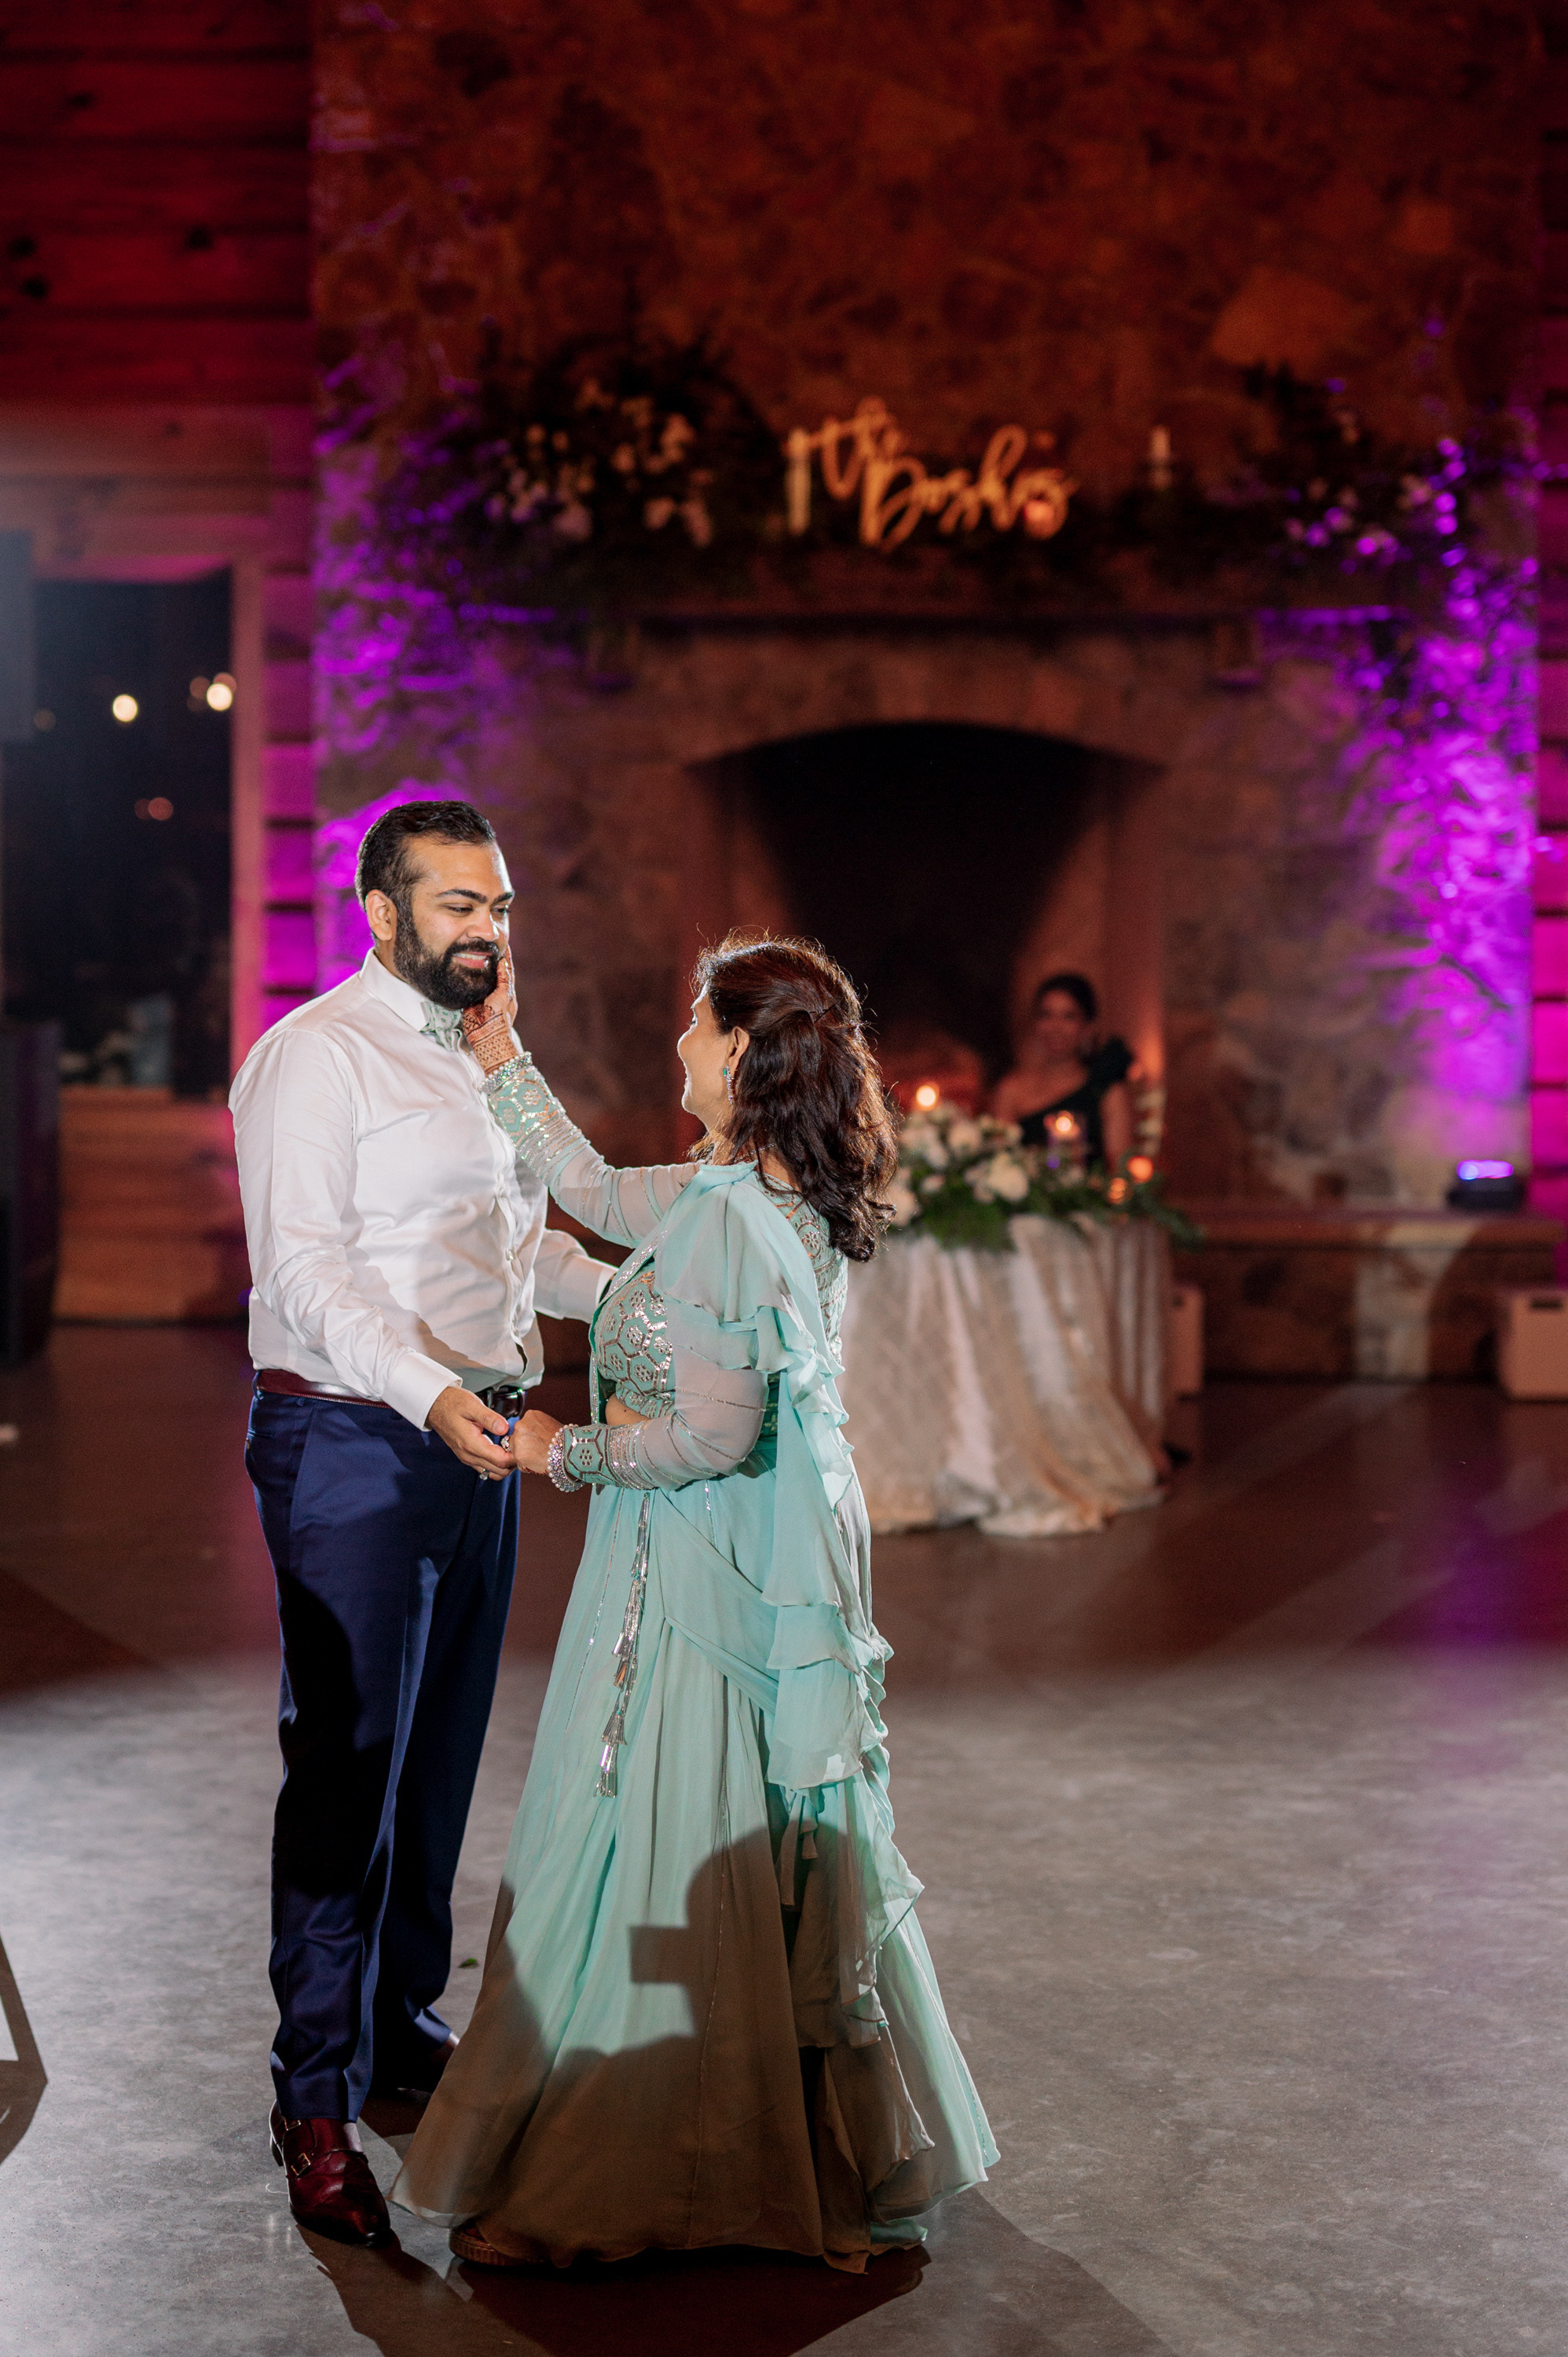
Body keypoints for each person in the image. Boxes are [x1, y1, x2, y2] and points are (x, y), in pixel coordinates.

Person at [392, 934, 997, 2272]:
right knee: (736, 1830)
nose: (675, 1044)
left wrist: (563, 1449)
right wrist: (501, 1059)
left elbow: (712, 1438)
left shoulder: (728, 1217)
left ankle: (662, 2168)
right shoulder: (755, 1185)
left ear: (740, 1052)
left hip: (702, 1562)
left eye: (691, 1024)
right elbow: (601, 1190)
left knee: (666, 1831)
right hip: (760, 1554)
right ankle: (779, 2143)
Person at [229, 801, 613, 2249]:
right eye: (457, 905)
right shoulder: (311, 1057)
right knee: (347, 1772)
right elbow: (308, 1273)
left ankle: (394, 2030)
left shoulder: (487, 1057)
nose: (486, 931)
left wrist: (647, 1297)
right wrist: (428, 1391)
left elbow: (522, 1249)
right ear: (380, 911)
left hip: (482, 1441)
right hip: (352, 1438)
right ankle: (312, 2102)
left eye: (499, 905)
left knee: (442, 1759)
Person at [991, 970, 1134, 1170]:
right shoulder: (1012, 1089)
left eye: (1068, 1017)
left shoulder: (1106, 1092)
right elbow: (999, 1161)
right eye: (1046, 1015)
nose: (1055, 1027)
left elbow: (1120, 1167)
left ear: (1088, 1027)